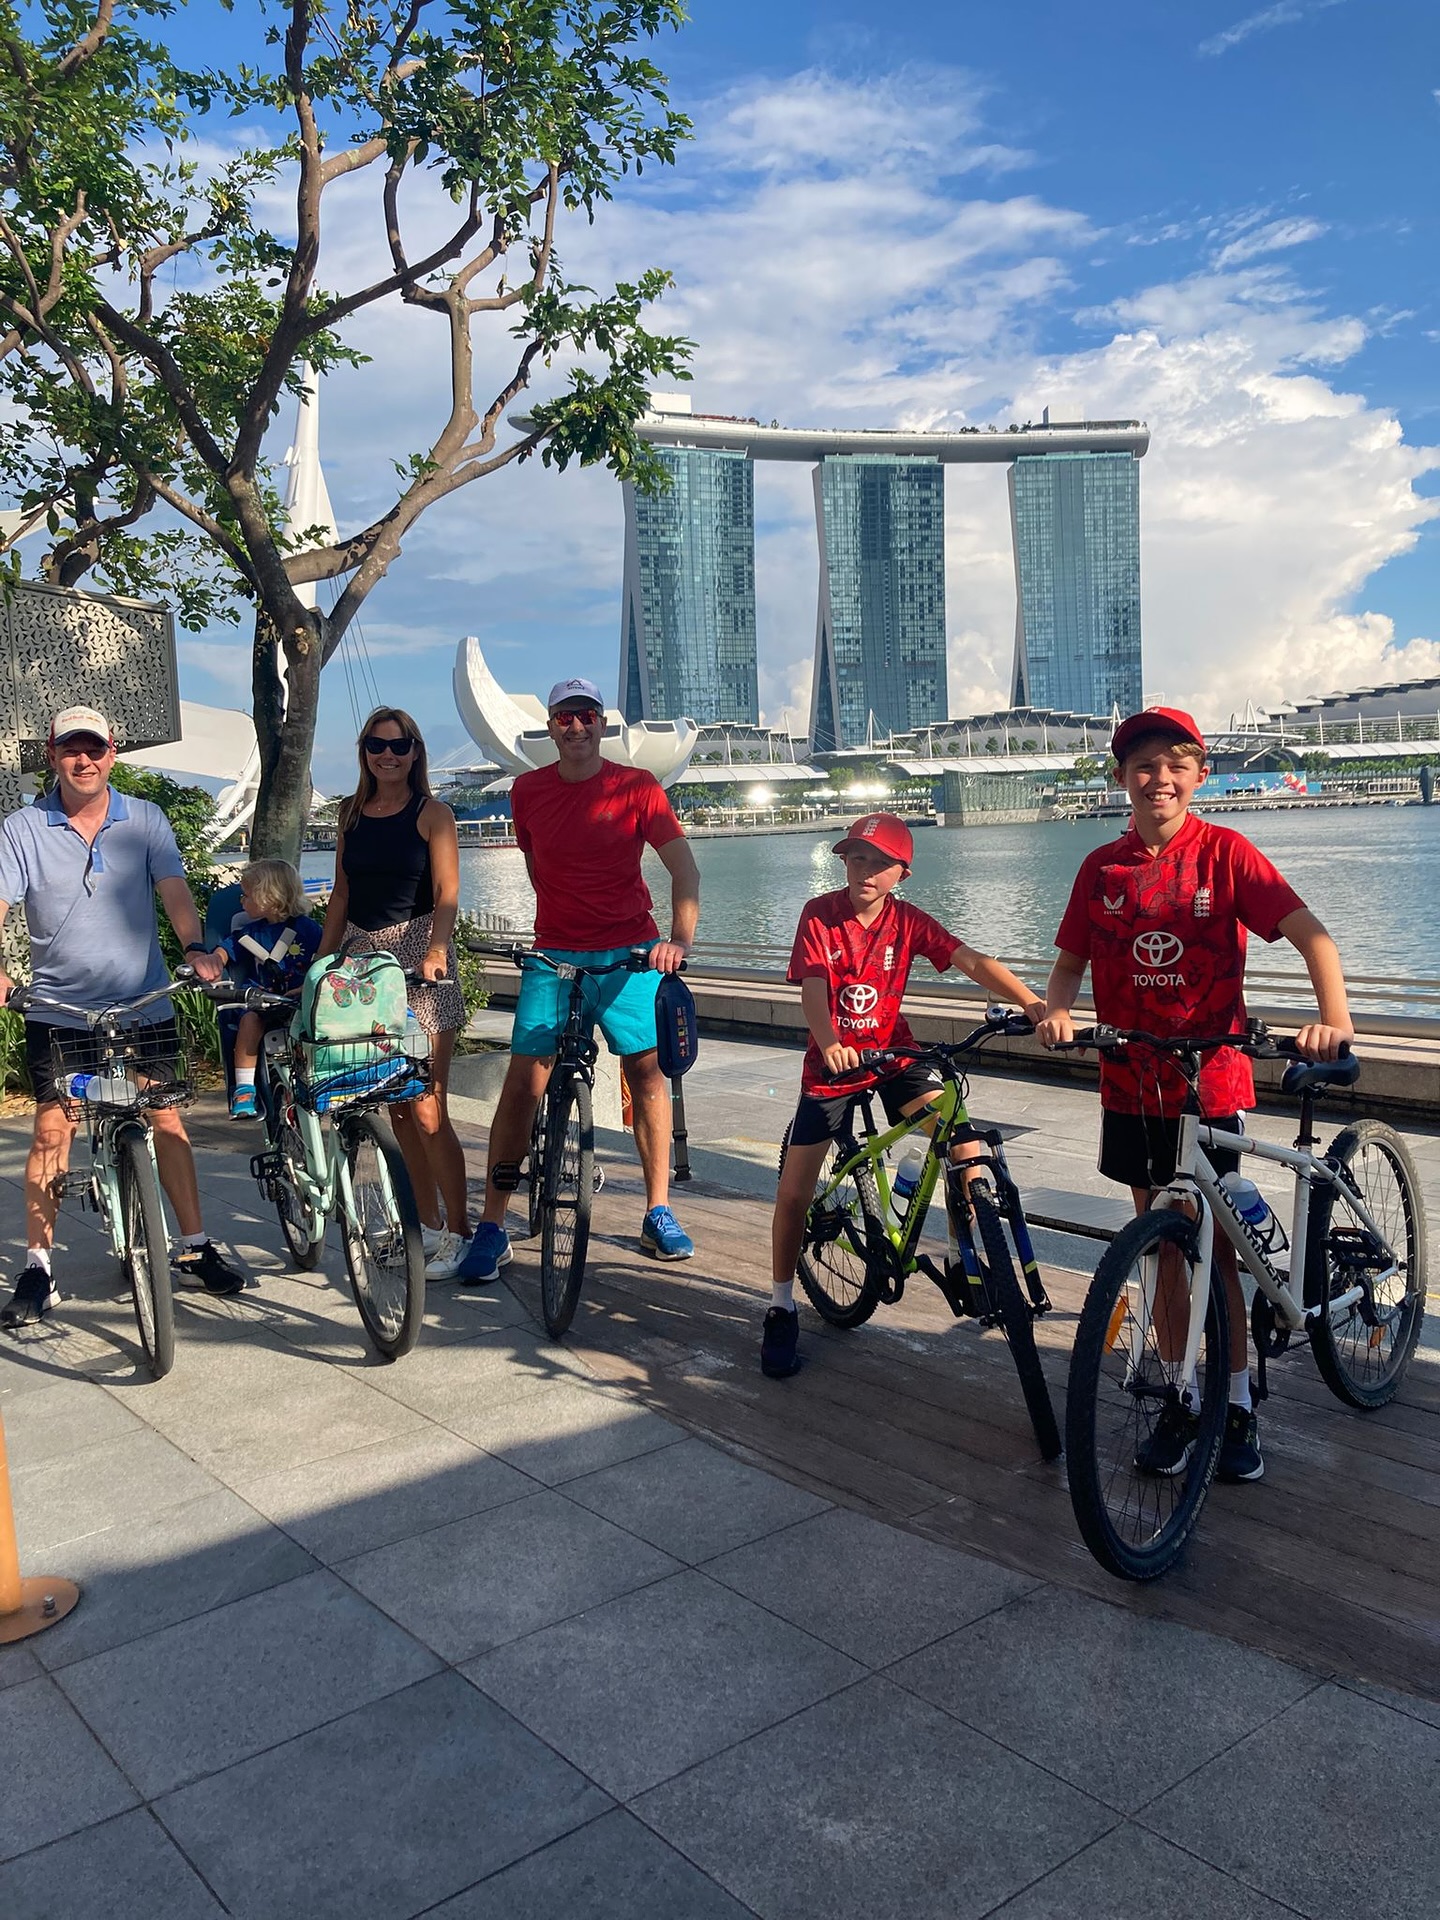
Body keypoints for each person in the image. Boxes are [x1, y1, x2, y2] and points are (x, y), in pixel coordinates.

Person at [1036, 706, 1354, 1482]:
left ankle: (1237, 1400)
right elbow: (1070, 963)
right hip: (1129, 1081)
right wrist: (1056, 1009)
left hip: (1209, 1081)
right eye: (1143, 765)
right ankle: (1182, 1395)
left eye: (1176, 764)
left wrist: (1333, 1022)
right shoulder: (1100, 869)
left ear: (1198, 775)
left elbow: (1313, 935)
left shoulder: (1227, 854)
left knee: (1216, 1249)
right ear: (1121, 779)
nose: (1159, 779)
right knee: (1163, 1251)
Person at [762, 812, 1046, 1380]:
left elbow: (968, 960)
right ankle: (781, 1303)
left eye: (879, 862)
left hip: (895, 1057)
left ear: (902, 873)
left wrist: (1032, 1002)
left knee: (961, 1138)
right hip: (834, 1067)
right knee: (795, 1191)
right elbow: (814, 988)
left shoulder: (908, 921)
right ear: (843, 862)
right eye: (856, 858)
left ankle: (963, 1252)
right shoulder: (820, 914)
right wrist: (831, 1042)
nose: (864, 871)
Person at [0, 705, 245, 1328]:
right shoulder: (22, 828)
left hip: (143, 1000)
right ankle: (38, 1267)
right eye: (71, 750)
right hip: (60, 1007)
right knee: (54, 1128)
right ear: (52, 756)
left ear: (114, 754)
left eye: (96, 749)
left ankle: (193, 1245)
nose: (85, 761)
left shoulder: (146, 819)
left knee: (165, 1117)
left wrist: (194, 948)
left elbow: (175, 892)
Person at [461, 675, 701, 1283]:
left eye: (586, 715)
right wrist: (562, 930)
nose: (576, 727)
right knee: (523, 1083)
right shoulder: (526, 791)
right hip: (556, 956)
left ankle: (658, 1210)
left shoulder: (637, 787)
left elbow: (683, 868)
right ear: (551, 726)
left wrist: (678, 940)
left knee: (646, 1073)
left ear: (602, 724)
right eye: (564, 717)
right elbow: (539, 865)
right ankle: (492, 1226)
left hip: (632, 954)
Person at [317, 707, 471, 1280]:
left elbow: (447, 890)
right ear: (363, 752)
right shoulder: (349, 815)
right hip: (362, 964)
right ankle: (426, 1225)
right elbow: (340, 895)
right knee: (397, 1107)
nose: (388, 754)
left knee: (429, 1105)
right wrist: (320, 967)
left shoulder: (434, 814)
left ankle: (462, 1231)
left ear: (415, 752)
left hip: (417, 957)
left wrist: (436, 948)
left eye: (399, 745)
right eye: (377, 745)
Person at [209, 859, 323, 1118]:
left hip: (299, 1000)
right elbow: (225, 950)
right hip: (262, 1001)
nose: (242, 901)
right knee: (249, 1021)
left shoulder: (308, 929)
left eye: (246, 895)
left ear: (267, 897)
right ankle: (244, 1088)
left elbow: (323, 958)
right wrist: (215, 961)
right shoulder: (248, 932)